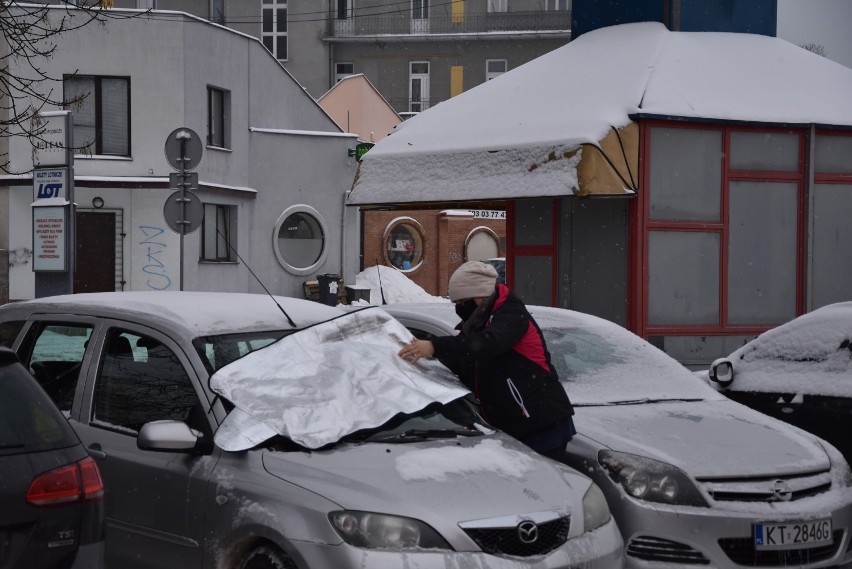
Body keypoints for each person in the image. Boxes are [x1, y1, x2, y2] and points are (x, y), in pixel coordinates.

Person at [398, 261, 575, 461]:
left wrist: (435, 346)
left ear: (478, 296)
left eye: (461, 302)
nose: (458, 308)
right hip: (515, 427)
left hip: (541, 424)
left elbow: (486, 344)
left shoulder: (511, 315)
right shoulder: (478, 323)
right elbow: (466, 366)